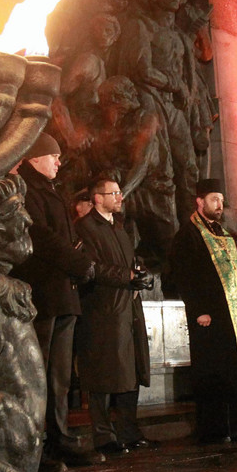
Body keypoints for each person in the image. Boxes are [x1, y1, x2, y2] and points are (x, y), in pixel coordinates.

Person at [12, 133, 104, 472]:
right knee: (40, 372)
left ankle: (59, 438)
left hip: (62, 292)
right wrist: (76, 262)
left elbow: (66, 238)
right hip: (43, 291)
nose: (59, 162)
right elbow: (40, 236)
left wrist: (83, 259)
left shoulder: (48, 190)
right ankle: (38, 445)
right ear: (36, 158)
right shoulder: (24, 190)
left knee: (59, 376)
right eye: (54, 156)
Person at [164, 178, 237, 443]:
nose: (220, 205)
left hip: (234, 317)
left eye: (221, 200)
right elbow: (184, 277)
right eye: (214, 199)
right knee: (214, 372)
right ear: (200, 201)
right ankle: (217, 429)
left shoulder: (222, 231)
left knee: (234, 370)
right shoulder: (188, 234)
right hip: (209, 317)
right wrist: (199, 310)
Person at [74, 178, 158, 456]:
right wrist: (127, 276)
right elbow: (91, 267)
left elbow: (127, 262)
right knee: (103, 373)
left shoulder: (119, 228)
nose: (120, 197)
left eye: (120, 192)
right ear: (98, 198)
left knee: (131, 369)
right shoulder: (85, 228)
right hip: (103, 310)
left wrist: (138, 272)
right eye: (114, 193)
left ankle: (129, 431)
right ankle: (103, 436)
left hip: (127, 308)